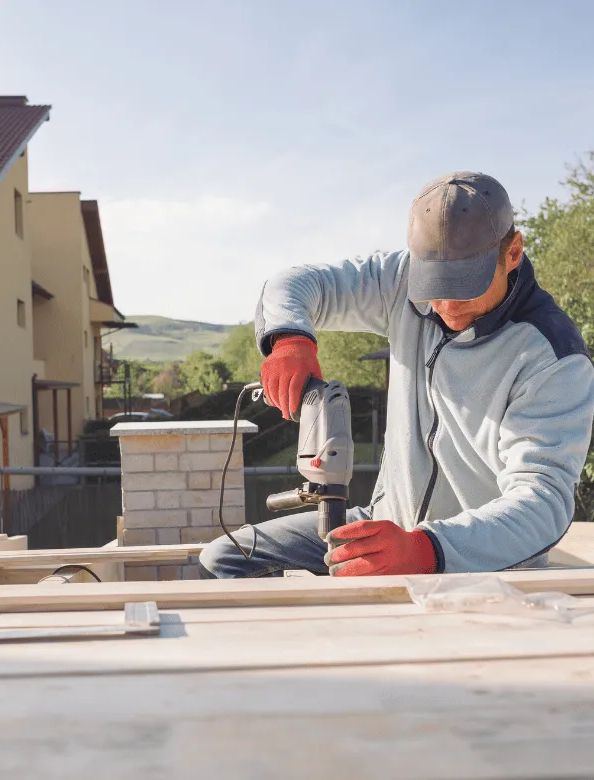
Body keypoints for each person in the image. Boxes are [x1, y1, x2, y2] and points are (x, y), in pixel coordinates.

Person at [200, 171, 594, 578]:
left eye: (464, 287)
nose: (445, 307)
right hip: (387, 525)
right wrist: (289, 339)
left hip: (479, 566)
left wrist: (428, 549)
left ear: (513, 252)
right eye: (433, 287)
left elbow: (541, 502)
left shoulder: (553, 358)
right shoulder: (400, 279)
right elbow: (294, 284)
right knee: (227, 558)